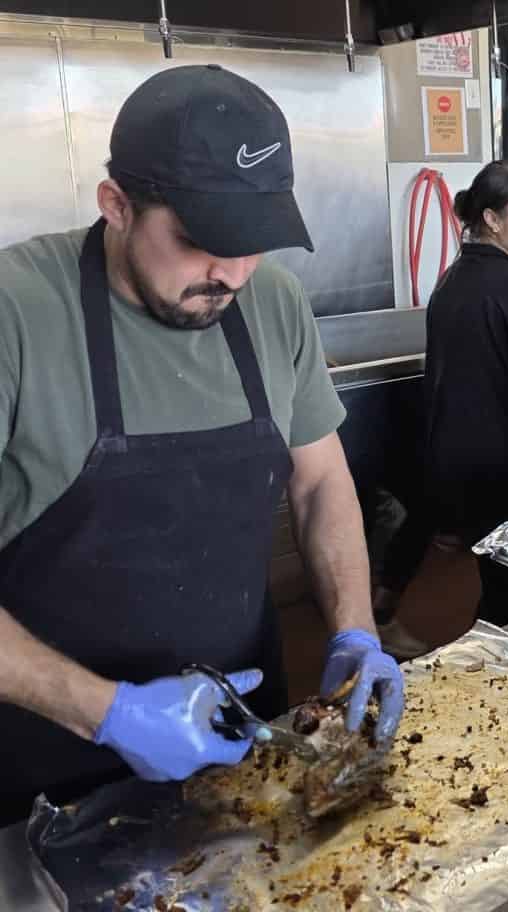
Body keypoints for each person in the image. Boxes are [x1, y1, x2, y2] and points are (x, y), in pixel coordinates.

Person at [0, 65, 403, 824]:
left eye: (253, 243)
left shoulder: (274, 304)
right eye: (198, 241)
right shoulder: (17, 313)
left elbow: (321, 483)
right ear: (117, 206)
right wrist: (107, 713)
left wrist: (355, 625)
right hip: (39, 768)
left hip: (241, 739)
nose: (231, 274)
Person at [372, 160, 508, 632]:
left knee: (489, 575)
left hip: (454, 457)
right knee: (506, 591)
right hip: (506, 467)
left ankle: (381, 614)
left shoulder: (452, 281)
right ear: (494, 219)